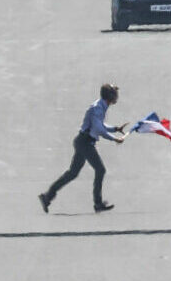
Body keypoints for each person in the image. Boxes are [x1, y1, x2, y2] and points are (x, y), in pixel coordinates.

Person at [39, 83, 125, 214]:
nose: (117, 96)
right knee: (100, 170)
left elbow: (100, 125)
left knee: (72, 173)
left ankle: (47, 196)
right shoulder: (98, 108)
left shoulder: (101, 106)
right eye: (115, 94)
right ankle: (98, 203)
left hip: (83, 141)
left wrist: (115, 129)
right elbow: (98, 129)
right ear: (110, 96)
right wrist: (114, 138)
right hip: (85, 143)